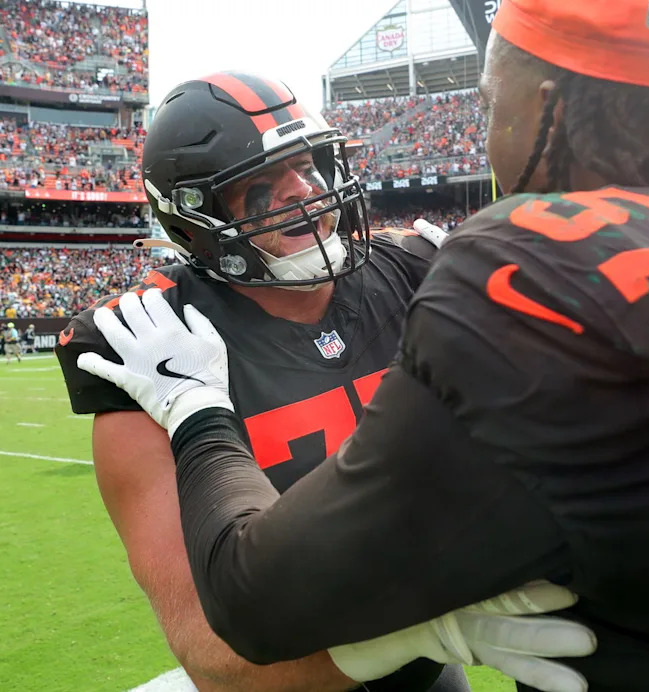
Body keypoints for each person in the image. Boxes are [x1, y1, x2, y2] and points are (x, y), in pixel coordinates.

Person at [79, 2, 649, 690]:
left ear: (550, 103)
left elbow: (252, 602)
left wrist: (196, 413)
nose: (306, 198)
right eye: (263, 187)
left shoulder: (526, 278)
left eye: (489, 100)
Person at [57, 72, 593, 692]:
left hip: (425, 665)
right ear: (195, 217)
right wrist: (425, 631)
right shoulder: (148, 344)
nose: (308, 193)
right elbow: (213, 649)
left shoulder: (417, 269)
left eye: (308, 165)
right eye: (260, 185)